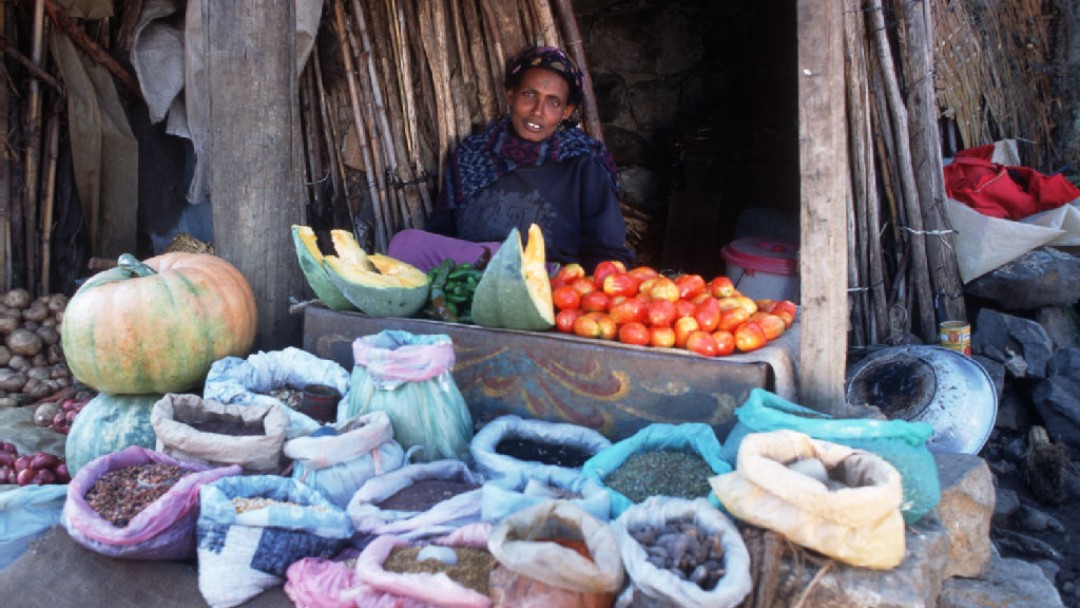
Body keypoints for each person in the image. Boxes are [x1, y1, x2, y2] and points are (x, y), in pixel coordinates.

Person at [388, 45, 633, 274]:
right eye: (529, 95)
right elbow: (442, 232)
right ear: (511, 96)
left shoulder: (584, 162)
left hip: (546, 282)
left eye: (553, 102)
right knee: (406, 243)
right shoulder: (473, 154)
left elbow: (606, 250)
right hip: (471, 275)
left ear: (566, 112)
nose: (538, 111)